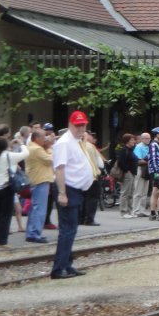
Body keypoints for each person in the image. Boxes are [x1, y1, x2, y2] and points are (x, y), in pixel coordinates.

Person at [51, 111, 93, 278]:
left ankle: (66, 265)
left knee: (71, 229)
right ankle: (59, 268)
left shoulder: (76, 141)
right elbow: (59, 168)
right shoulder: (64, 143)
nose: (81, 128)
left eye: (83, 125)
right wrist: (62, 193)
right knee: (68, 230)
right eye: (78, 125)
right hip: (68, 189)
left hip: (75, 189)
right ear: (70, 125)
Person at [0, 124, 28, 248]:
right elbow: (26, 154)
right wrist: (21, 143)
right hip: (6, 188)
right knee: (5, 215)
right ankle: (2, 241)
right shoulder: (8, 156)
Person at [24, 126, 54, 243]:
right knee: (39, 209)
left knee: (35, 208)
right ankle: (34, 233)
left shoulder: (33, 147)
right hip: (40, 180)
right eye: (43, 137)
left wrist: (46, 147)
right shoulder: (36, 149)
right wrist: (50, 147)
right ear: (36, 138)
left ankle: (31, 232)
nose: (45, 139)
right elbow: (50, 159)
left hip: (37, 180)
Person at [79, 131, 105, 226]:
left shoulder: (78, 146)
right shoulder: (91, 147)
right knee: (92, 198)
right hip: (93, 175)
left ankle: (81, 218)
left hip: (81, 176)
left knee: (83, 197)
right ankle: (89, 219)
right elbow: (100, 163)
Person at [115, 134, 139, 218]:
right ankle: (124, 212)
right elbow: (121, 162)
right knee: (125, 193)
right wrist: (127, 170)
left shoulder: (130, 149)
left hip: (132, 173)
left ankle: (129, 211)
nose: (134, 141)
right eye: (132, 140)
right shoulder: (124, 150)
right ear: (127, 141)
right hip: (127, 174)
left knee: (131, 193)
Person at [147, 127, 159, 221]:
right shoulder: (154, 145)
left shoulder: (155, 144)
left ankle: (152, 214)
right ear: (158, 135)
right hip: (156, 171)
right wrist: (156, 173)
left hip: (157, 171)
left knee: (155, 192)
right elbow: (153, 159)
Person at [132, 132, 151, 217]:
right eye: (146, 138)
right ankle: (135, 210)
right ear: (142, 139)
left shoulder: (148, 147)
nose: (148, 140)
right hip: (141, 169)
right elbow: (138, 160)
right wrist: (149, 161)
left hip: (146, 170)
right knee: (138, 191)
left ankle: (142, 209)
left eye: (149, 138)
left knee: (144, 191)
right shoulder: (139, 147)